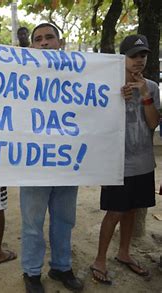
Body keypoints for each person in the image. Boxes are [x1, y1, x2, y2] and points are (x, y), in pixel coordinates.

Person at [90, 34, 159, 285]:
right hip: (117, 163)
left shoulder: (151, 86)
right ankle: (99, 259)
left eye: (143, 56)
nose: (139, 61)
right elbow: (97, 124)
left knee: (131, 210)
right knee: (114, 212)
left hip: (143, 163)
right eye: (133, 56)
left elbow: (152, 123)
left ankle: (124, 253)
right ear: (122, 59)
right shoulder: (107, 86)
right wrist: (116, 100)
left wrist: (144, 95)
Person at [20, 23, 83, 293]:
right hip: (34, 164)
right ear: (32, 46)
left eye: (49, 37)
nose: (44, 43)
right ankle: (32, 274)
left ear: (61, 42)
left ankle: (61, 267)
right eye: (38, 39)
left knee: (64, 219)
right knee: (33, 223)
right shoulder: (20, 74)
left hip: (68, 161)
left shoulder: (82, 75)